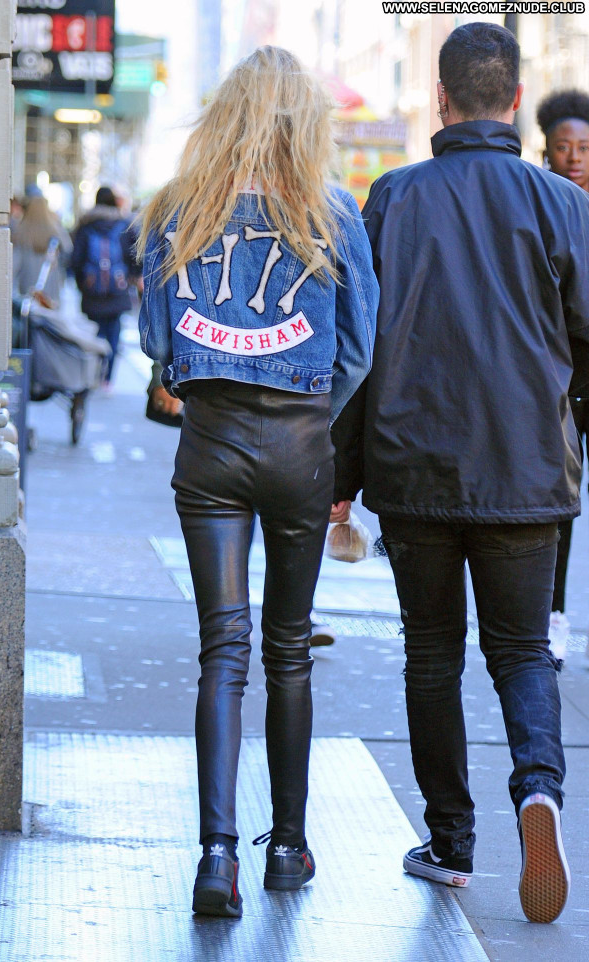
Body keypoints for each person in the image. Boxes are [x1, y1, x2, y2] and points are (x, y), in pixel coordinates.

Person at [332, 22, 589, 924]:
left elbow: (359, 350)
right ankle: (539, 790)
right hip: (526, 469)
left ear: (439, 99)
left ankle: (450, 841)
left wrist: (342, 478)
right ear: (515, 100)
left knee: (432, 654)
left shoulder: (392, 197)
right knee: (521, 651)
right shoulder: (563, 204)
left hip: (415, 470)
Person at [138, 46, 378, 918]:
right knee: (289, 648)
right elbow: (358, 348)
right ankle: (287, 846)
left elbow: (155, 341)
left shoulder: (179, 206)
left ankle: (215, 857)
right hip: (300, 447)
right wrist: (310, 408)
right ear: (304, 123)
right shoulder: (331, 211)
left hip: (209, 446)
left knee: (222, 648)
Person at [536, 90, 589, 623]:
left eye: (585, 147)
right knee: (560, 501)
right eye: (563, 146)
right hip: (560, 378)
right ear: (546, 150)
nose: (574, 156)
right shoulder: (544, 205)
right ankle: (552, 616)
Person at [71, 186, 141, 390]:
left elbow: (76, 260)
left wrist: (83, 285)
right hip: (118, 289)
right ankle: (107, 379)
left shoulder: (86, 225)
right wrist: (131, 277)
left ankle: (94, 373)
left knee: (95, 332)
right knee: (113, 333)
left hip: (92, 290)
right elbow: (135, 256)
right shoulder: (124, 225)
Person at [12, 194, 72, 307]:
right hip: (50, 286)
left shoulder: (21, 231)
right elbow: (68, 250)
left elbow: (15, 263)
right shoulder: (55, 230)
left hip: (27, 285)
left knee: (30, 312)